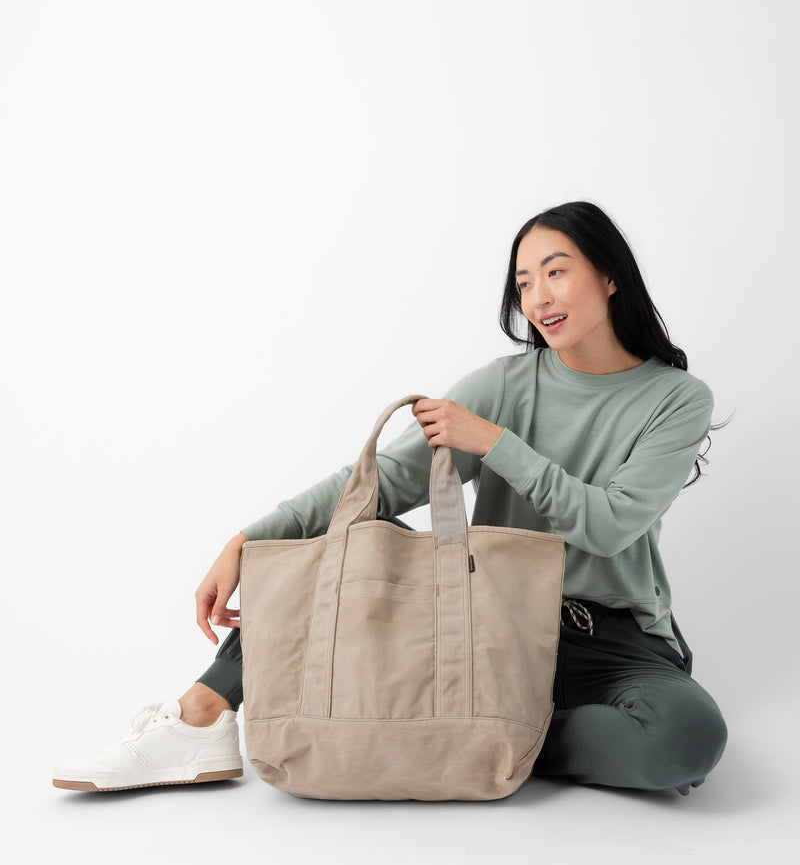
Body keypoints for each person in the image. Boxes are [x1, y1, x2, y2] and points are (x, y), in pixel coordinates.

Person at [53, 201, 727, 795]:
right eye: (524, 282)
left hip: (615, 640)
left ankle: (484, 731)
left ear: (610, 275)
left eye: (557, 270)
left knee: (686, 739)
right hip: (497, 625)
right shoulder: (502, 384)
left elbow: (609, 524)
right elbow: (376, 484)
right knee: (336, 565)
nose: (538, 296)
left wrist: (495, 444)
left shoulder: (674, 398)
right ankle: (198, 717)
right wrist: (248, 540)